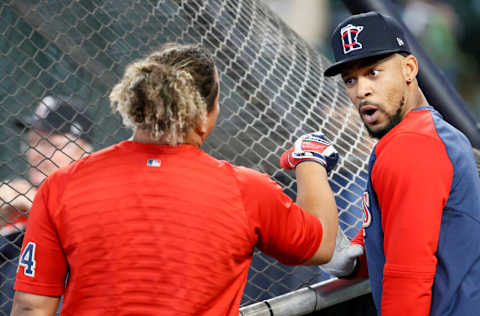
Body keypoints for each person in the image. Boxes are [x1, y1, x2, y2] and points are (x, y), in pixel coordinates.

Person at [10, 43, 340, 316]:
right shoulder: (245, 189)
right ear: (207, 113)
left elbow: (31, 308)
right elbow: (320, 244)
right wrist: (309, 161)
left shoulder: (63, 184)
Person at [321, 11, 480, 316]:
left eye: (373, 72)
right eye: (350, 79)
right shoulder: (435, 134)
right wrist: (361, 253)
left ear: (409, 68)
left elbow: (407, 282)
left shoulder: (410, 146)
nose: (361, 90)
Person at [0, 95, 93, 315]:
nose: (36, 154)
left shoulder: (95, 195)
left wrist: (39, 209)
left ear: (83, 150)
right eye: (32, 142)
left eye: (49, 144)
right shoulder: (18, 201)